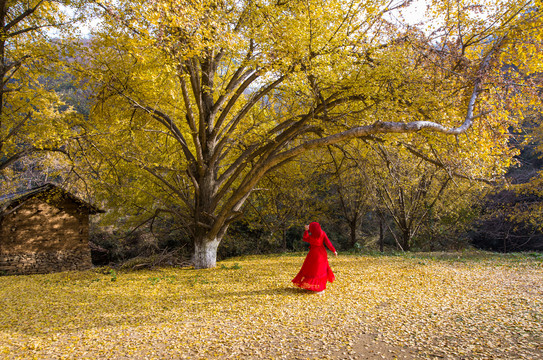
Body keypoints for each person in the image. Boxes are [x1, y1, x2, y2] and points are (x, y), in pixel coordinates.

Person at [292, 222, 337, 294]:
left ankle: (314, 287)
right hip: (322, 253)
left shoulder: (311, 237)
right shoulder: (323, 233)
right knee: (320, 270)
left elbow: (305, 238)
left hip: (313, 254)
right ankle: (319, 288)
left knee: (312, 270)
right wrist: (333, 250)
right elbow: (328, 243)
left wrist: (306, 230)